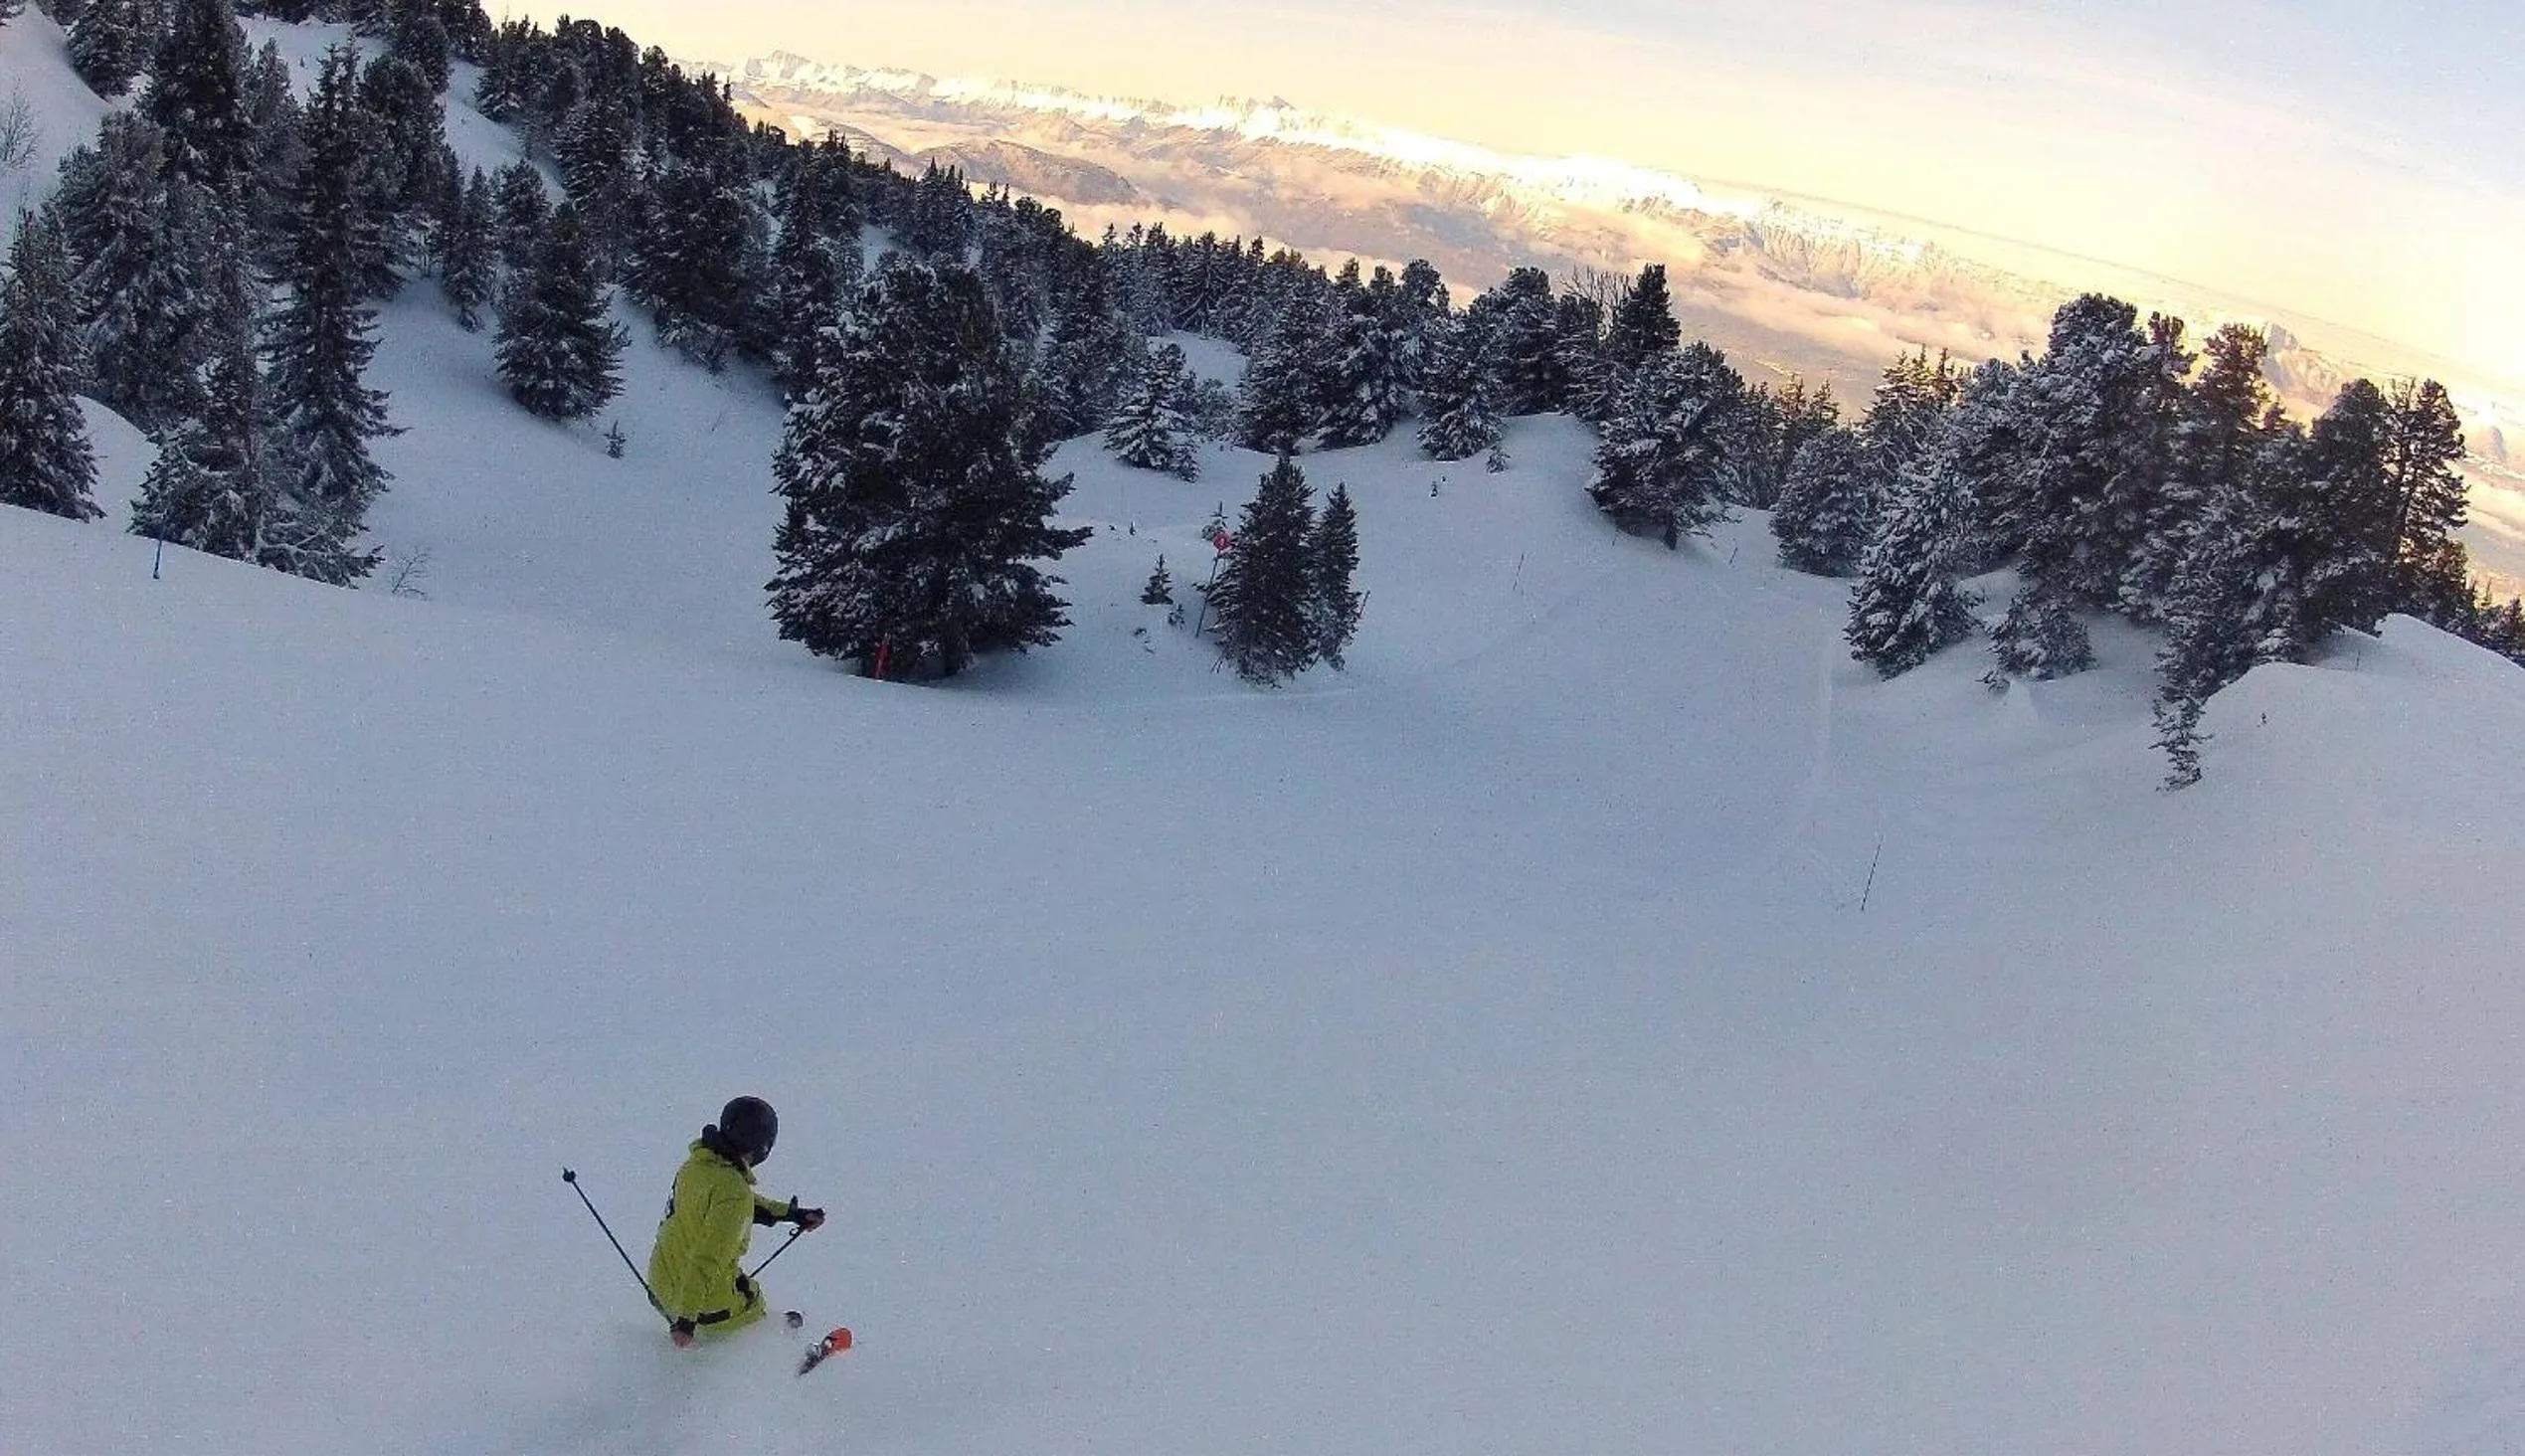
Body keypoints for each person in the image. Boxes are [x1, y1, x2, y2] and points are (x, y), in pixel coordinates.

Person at [647, 1096, 825, 1347]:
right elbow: (707, 1257)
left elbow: (734, 1204)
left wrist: (792, 1213)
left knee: (732, 1285)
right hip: (703, 1306)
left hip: (661, 1286)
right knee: (752, 1299)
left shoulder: (696, 1167)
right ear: (763, 1145)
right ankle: (768, 1353)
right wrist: (687, 1320)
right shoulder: (734, 1193)